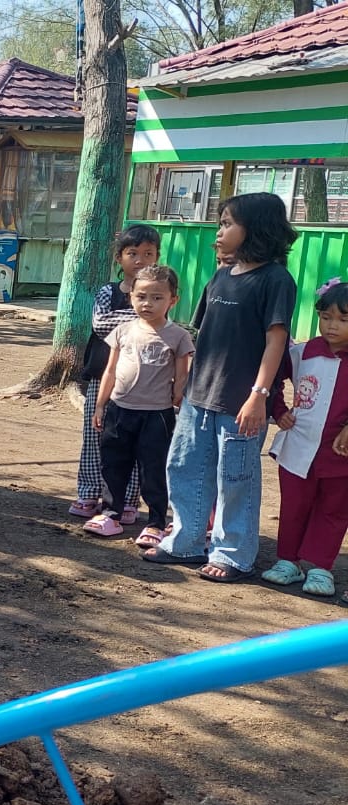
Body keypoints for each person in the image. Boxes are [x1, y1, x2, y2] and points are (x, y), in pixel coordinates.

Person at [143, 193, 298, 582]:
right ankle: (187, 542)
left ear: (256, 228)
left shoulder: (276, 280)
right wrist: (185, 384)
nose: (219, 232)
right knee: (185, 468)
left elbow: (276, 341)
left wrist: (259, 396)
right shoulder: (220, 276)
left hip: (241, 403)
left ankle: (233, 555)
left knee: (236, 479)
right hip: (199, 396)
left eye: (227, 223)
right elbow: (204, 335)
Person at [83, 265, 193, 547]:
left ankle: (156, 522)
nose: (148, 303)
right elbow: (109, 370)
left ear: (172, 300)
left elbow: (182, 376)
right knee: (114, 464)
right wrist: (99, 406)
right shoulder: (122, 331)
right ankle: (111, 514)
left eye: (157, 297)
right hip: (119, 411)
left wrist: (178, 400)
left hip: (157, 415)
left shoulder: (178, 336)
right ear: (131, 296)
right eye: (141, 296)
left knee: (153, 469)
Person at [260, 278, 348, 597]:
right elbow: (274, 376)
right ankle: (288, 560)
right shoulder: (304, 352)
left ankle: (321, 567)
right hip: (298, 449)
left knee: (334, 510)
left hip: (340, 457)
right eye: (326, 317)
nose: (332, 326)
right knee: (295, 506)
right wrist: (280, 410)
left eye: (342, 319)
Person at [72, 226, 159, 520]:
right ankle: (88, 493)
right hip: (101, 377)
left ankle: (127, 501)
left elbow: (159, 325)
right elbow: (101, 325)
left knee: (131, 442)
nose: (140, 260)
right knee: (94, 436)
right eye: (132, 253)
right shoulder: (108, 291)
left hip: (141, 382)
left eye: (148, 254)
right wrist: (139, 316)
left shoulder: (160, 294)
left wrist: (142, 317)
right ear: (119, 258)